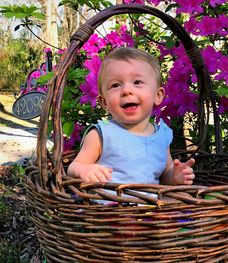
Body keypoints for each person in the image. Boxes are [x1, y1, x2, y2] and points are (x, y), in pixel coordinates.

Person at [67, 47, 195, 188]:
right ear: (104, 102)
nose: (127, 91)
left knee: (184, 197)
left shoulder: (162, 135)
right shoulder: (102, 134)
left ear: (158, 96)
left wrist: (175, 176)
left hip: (152, 204)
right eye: (116, 85)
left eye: (137, 82)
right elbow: (74, 167)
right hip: (112, 205)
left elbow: (164, 174)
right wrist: (84, 170)